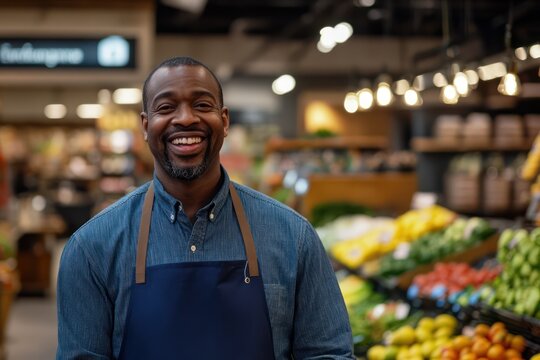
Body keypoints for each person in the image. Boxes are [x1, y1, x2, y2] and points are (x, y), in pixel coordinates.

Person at [56, 56, 354, 359]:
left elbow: (327, 353)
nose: (185, 118)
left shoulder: (293, 236)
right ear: (146, 126)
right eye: (166, 107)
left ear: (224, 121)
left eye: (201, 105)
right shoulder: (92, 247)